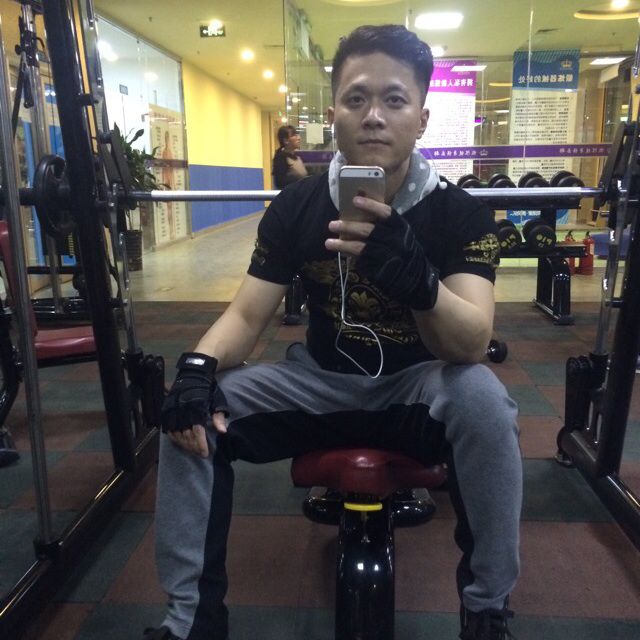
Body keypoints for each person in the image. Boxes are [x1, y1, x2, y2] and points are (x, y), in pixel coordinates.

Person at [147, 24, 521, 640]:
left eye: (394, 100)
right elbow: (246, 317)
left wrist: (420, 284)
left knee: (484, 399)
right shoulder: (295, 207)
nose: (374, 115)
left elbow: (471, 344)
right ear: (333, 116)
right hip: (317, 385)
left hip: (416, 389)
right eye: (356, 98)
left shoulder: (462, 214)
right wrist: (196, 368)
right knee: (191, 412)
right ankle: (191, 620)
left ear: (421, 119)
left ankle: (486, 610)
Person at [272, 124, 308, 189]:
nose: (298, 138)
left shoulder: (297, 158)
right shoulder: (280, 158)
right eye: (294, 135)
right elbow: (280, 183)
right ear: (286, 141)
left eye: (297, 135)